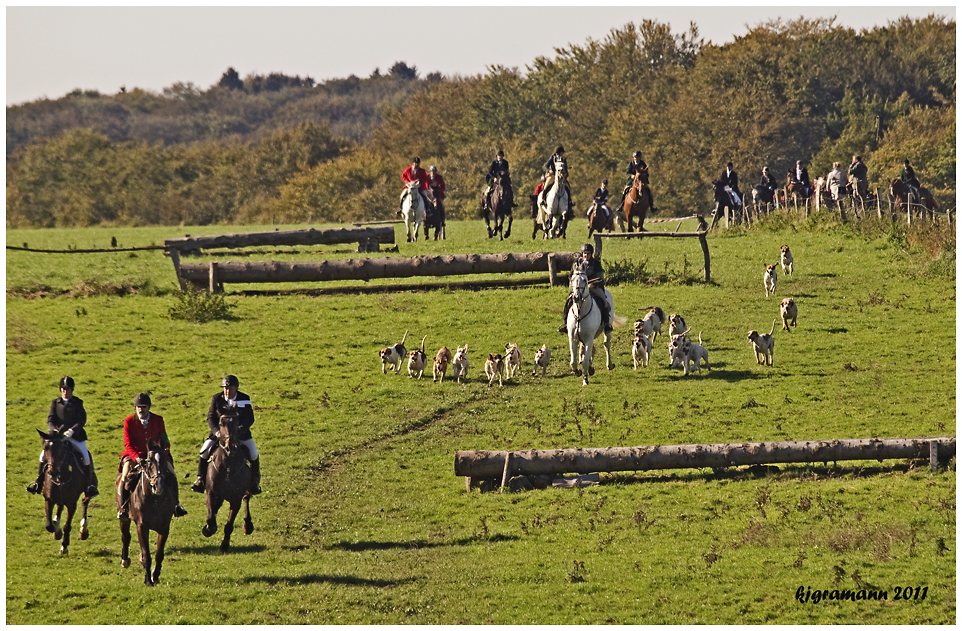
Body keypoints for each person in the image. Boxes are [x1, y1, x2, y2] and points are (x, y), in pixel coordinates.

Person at [117, 393, 188, 519]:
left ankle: (176, 505)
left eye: (143, 407)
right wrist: (136, 458)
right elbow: (128, 444)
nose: (140, 409)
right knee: (125, 474)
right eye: (138, 407)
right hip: (136, 455)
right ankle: (123, 508)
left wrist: (163, 452)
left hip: (155, 454)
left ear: (148, 407)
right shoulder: (129, 421)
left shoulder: (158, 419)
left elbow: (164, 439)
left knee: (171, 472)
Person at [27, 376, 99, 498]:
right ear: (60, 390)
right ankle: (38, 483)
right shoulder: (55, 403)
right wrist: (55, 429)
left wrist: (72, 430)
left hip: (75, 436)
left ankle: (88, 485)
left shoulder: (78, 402)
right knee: (43, 456)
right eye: (63, 389)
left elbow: (81, 420)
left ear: (72, 390)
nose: (65, 392)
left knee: (86, 457)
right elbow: (50, 419)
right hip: (58, 438)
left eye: (68, 389)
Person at [191, 375, 261, 495]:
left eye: (230, 388)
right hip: (219, 435)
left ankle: (254, 482)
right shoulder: (217, 398)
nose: (227, 391)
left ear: (236, 389)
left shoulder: (244, 398)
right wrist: (217, 432)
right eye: (225, 388)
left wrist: (238, 431)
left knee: (254, 454)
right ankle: (200, 479)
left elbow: (249, 419)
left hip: (241, 435)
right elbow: (211, 417)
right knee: (204, 451)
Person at [558, 243, 612, 334]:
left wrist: (592, 284)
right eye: (584, 253)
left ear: (591, 254)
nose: (586, 255)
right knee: (568, 301)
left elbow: (600, 277)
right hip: (579, 288)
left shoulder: (596, 263)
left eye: (588, 253)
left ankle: (606, 324)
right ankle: (565, 324)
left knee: (603, 301)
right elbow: (571, 275)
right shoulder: (577, 263)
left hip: (594, 288)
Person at [540, 145, 573, 214]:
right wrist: (549, 171)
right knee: (546, 185)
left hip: (561, 175)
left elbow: (566, 167)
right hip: (553, 175)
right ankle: (543, 199)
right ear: (559, 152)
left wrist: (565, 172)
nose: (563, 154)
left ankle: (569, 201)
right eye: (562, 152)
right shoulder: (552, 157)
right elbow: (546, 165)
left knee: (567, 186)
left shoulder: (563, 159)